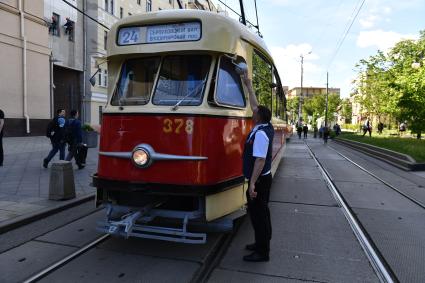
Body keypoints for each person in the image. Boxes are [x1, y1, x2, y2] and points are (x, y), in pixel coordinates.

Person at [241, 71, 274, 262]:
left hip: (259, 181)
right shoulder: (261, 126)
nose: (252, 112)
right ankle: (259, 243)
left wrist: (252, 184)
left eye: (254, 112)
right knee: (258, 213)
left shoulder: (261, 134)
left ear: (259, 117)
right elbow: (254, 103)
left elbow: (260, 161)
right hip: (261, 180)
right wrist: (248, 84)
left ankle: (262, 252)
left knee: (260, 215)